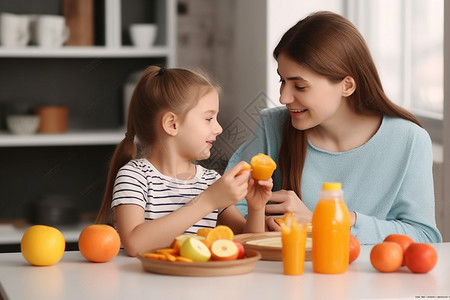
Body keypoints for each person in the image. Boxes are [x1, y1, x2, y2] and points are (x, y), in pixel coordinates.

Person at [226, 11, 442, 244]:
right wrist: (263, 230)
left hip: (372, 279)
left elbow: (424, 236)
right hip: (287, 276)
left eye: (299, 86)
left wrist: (321, 222)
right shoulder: (273, 125)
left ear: (347, 85)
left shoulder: (410, 140)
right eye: (282, 81)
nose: (283, 97)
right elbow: (226, 205)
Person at [96, 66, 273, 256]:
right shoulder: (134, 176)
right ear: (172, 124)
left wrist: (256, 207)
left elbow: (249, 244)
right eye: (209, 118)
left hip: (195, 284)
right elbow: (135, 244)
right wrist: (208, 201)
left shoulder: (211, 181)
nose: (219, 128)